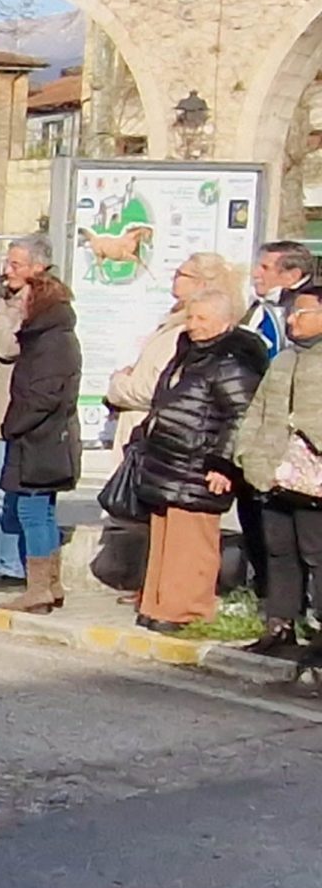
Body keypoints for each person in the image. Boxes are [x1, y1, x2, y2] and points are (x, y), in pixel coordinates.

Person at [129, 285, 268, 631]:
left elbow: (242, 415)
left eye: (202, 318)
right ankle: (158, 604)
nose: (193, 325)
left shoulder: (232, 359)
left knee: (192, 541)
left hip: (201, 462)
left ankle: (187, 609)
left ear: (225, 321)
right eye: (191, 317)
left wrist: (224, 465)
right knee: (166, 537)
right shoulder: (189, 352)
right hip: (168, 458)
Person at [230, 282, 322, 657]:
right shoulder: (284, 359)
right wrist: (247, 452)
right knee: (279, 551)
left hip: (314, 479)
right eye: (291, 312)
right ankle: (279, 627)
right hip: (273, 472)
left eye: (301, 313)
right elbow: (259, 410)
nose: (292, 320)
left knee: (316, 553)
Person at [0, 270, 83, 614]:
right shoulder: (48, 335)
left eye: (23, 298)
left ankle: (39, 589)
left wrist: (13, 425)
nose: (17, 304)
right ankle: (50, 584)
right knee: (42, 511)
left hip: (41, 438)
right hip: (43, 435)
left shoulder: (51, 340)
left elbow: (45, 394)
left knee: (32, 511)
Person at [0, 237, 49, 592]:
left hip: (10, 411)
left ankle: (13, 565)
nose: (7, 270)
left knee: (5, 494)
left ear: (37, 267)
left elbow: (7, 346)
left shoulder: (35, 304)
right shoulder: (4, 299)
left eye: (16, 265)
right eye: (7, 262)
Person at [104, 251, 236, 457]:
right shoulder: (173, 323)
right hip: (139, 433)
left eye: (180, 275)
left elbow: (158, 389)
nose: (174, 279)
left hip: (151, 438)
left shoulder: (184, 334)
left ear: (201, 284)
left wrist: (117, 384)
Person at [247, 240, 317, 355]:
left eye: (265, 268)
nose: (255, 274)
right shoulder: (268, 302)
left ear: (292, 276)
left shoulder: (305, 311)